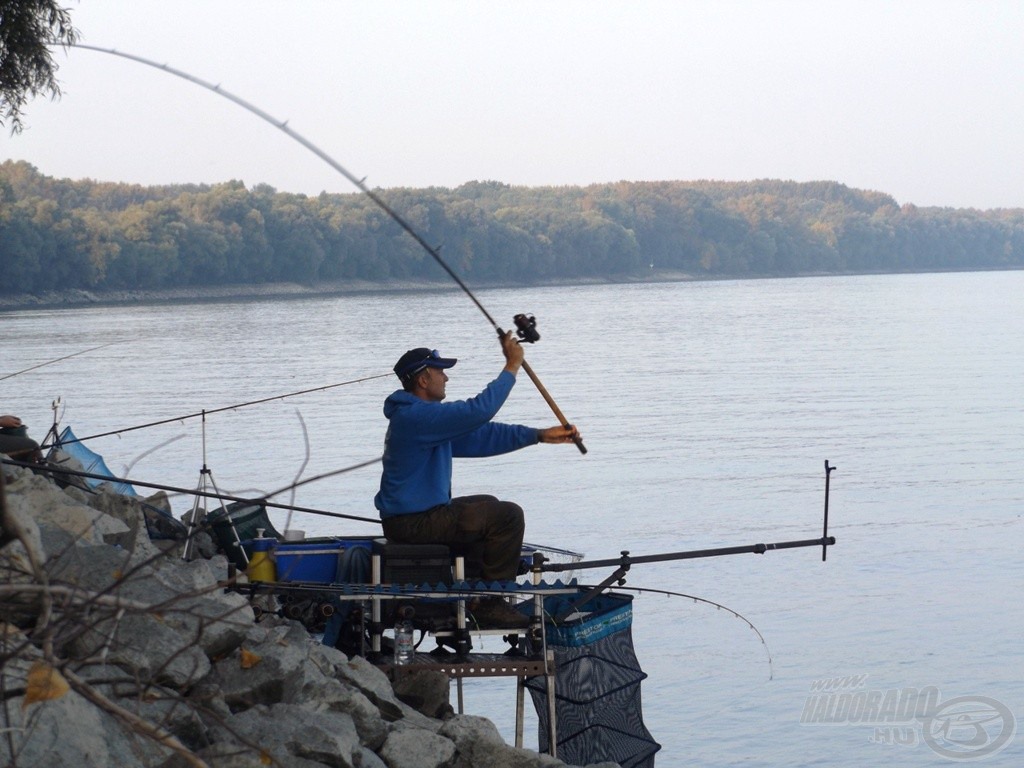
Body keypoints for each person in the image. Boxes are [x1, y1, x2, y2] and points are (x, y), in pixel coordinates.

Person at [374, 331, 580, 628]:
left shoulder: (426, 420)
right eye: (441, 372)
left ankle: (474, 588)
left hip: (414, 519)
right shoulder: (418, 418)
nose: (446, 378)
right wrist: (512, 366)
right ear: (422, 380)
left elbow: (482, 436)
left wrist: (538, 436)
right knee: (507, 516)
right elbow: (479, 411)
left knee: (488, 504)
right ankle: (491, 603)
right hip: (413, 524)